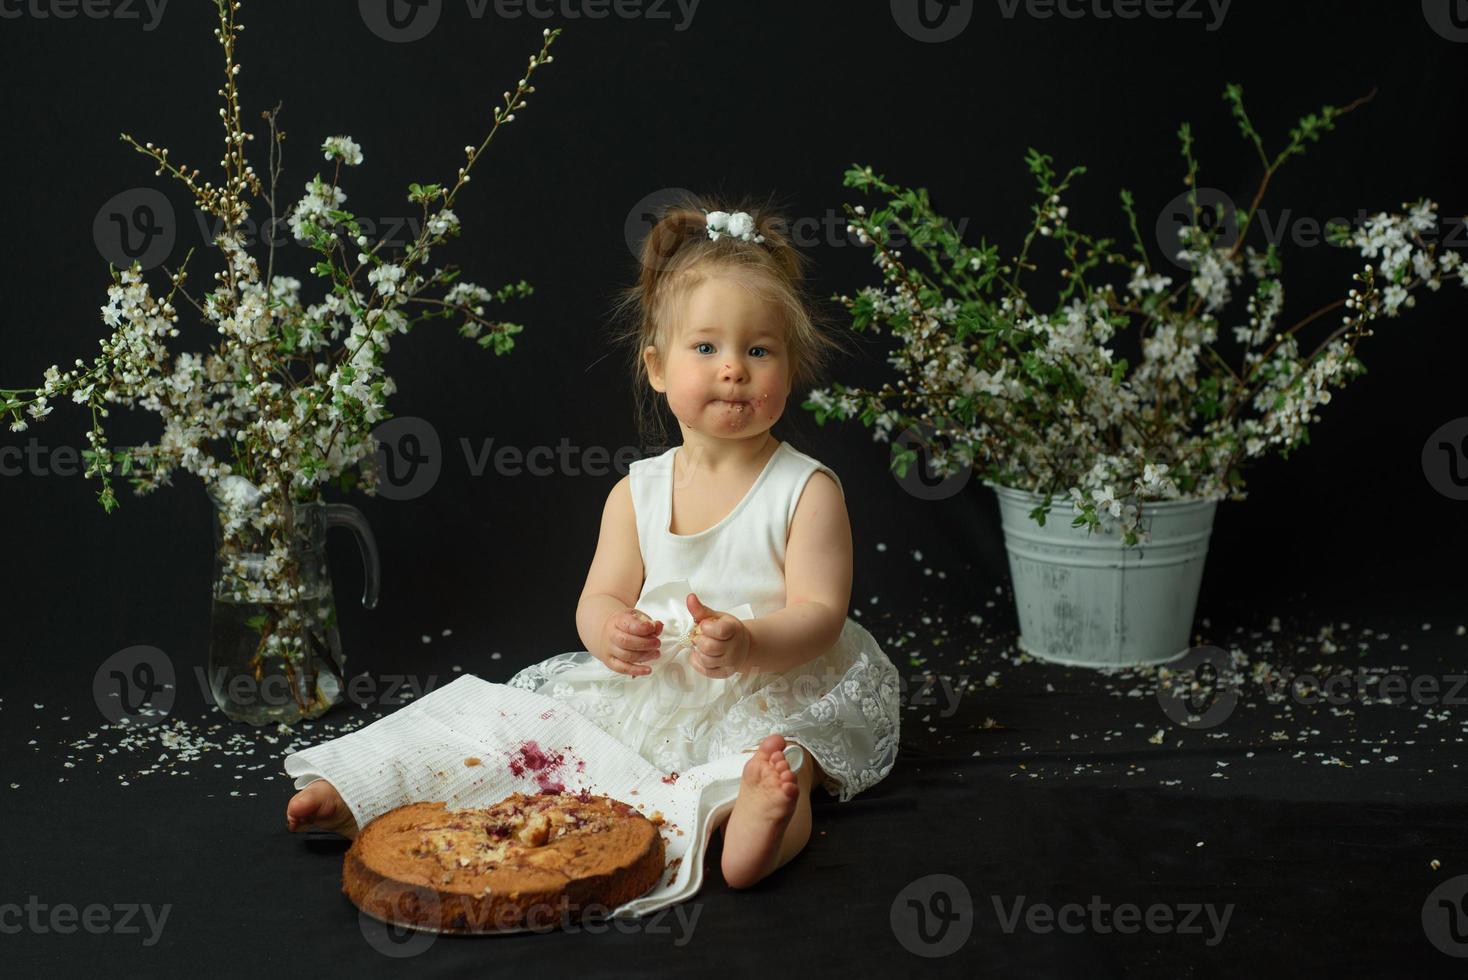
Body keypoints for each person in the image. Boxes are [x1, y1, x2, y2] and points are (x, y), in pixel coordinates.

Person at [286, 196, 901, 890]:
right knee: (517, 728)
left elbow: (820, 611)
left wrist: (751, 643)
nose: (734, 369)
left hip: (773, 679)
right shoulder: (634, 493)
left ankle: (756, 825)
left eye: (759, 350)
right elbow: (599, 595)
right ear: (658, 367)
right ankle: (366, 792)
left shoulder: (806, 490)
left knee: (776, 758)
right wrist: (611, 630)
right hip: (661, 681)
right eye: (707, 347)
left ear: (790, 369)